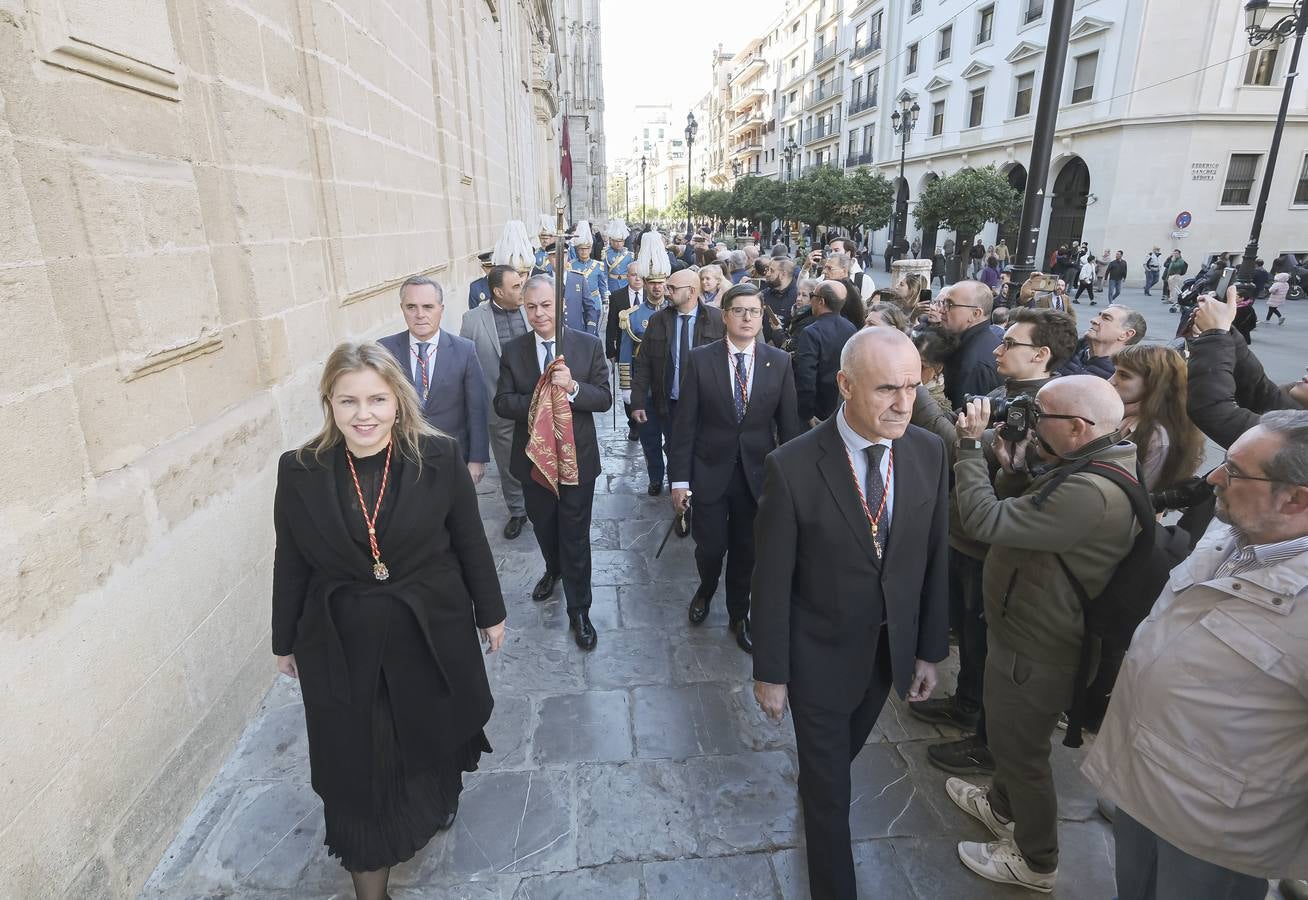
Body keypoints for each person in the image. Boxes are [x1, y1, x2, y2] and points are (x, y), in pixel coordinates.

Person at [272, 342, 505, 900]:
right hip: (340, 638)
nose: (364, 414)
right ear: (329, 402)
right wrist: (283, 641)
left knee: (427, 732)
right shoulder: (300, 469)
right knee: (357, 766)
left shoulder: (438, 457)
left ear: (398, 401)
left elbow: (470, 542)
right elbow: (292, 560)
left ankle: (429, 805)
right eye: (348, 400)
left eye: (377, 398)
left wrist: (491, 613)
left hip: (427, 628)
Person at [752, 327, 950, 900]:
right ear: (844, 385)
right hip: (816, 654)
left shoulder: (928, 451)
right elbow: (770, 582)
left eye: (913, 387)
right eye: (887, 388)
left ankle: (817, 781)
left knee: (837, 760)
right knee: (830, 791)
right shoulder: (791, 467)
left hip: (889, 653)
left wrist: (929, 650)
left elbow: (934, 557)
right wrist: (771, 671)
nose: (904, 403)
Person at [1083, 410, 1308, 900]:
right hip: (1141, 782)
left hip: (1214, 831)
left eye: (1236, 471)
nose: (1214, 478)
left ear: (1297, 498)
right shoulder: (1234, 532)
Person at [947, 376, 1139, 892]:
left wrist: (968, 449)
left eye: (1040, 416)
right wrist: (1012, 469)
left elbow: (985, 520)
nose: (1029, 423)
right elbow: (1022, 513)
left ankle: (1035, 860)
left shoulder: (1091, 490)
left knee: (1022, 754)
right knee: (1012, 740)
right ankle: (1002, 808)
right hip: (1025, 630)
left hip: (1040, 647)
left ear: (1077, 427)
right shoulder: (1084, 464)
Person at [911, 309, 1078, 775]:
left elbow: (958, 445)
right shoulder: (1008, 393)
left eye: (1010, 345)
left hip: (991, 542)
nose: (998, 351)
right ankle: (966, 704)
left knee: (986, 643)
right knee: (968, 633)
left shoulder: (1040, 407)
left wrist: (918, 390)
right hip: (965, 532)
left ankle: (985, 739)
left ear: (1041, 355)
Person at [669, 282, 800, 653]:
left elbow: (789, 428)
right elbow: (685, 426)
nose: (746, 318)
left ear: (762, 317)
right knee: (710, 548)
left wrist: (792, 485)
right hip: (708, 473)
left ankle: (738, 613)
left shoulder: (779, 363)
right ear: (724, 315)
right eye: (739, 310)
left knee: (747, 551)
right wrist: (679, 481)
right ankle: (706, 587)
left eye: (754, 311)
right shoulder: (700, 359)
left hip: (757, 479)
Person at [493, 275, 612, 650]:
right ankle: (553, 569)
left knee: (575, 534)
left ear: (559, 304)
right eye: (531, 307)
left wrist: (573, 388)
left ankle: (579, 609)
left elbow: (604, 398)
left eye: (545, 305)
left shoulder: (589, 346)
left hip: (577, 460)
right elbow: (502, 402)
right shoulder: (514, 351)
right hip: (533, 461)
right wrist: (542, 398)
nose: (539, 313)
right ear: (524, 309)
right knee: (545, 526)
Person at [631, 245, 724, 496]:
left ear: (691, 292)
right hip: (669, 404)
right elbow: (643, 363)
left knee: (702, 452)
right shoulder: (658, 321)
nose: (667, 292)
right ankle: (679, 500)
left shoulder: (717, 320)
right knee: (675, 452)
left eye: (673, 288)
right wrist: (638, 401)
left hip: (706, 406)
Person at [378, 275, 490, 486]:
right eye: (411, 307)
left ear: (441, 308)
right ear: (402, 308)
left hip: (451, 455)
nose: (420, 315)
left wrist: (477, 459)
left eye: (428, 307)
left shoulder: (464, 350)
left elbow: (477, 408)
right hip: (401, 457)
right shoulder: (385, 350)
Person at [1185, 286, 1308, 450]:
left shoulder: (1299, 439)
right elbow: (1257, 389)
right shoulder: (1297, 410)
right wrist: (1224, 329)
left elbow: (1215, 411)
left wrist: (1215, 336)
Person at [460, 266, 532, 539]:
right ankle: (517, 511)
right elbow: (467, 367)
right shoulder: (472, 320)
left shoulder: (532, 311)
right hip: (497, 406)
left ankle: (545, 504)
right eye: (515, 287)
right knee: (508, 463)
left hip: (536, 404)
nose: (522, 290)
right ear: (498, 292)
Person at [1109, 344, 1205, 493]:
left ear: (1154, 385)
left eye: (1124, 375)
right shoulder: (1120, 412)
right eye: (1115, 372)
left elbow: (1138, 495)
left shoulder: (1157, 436)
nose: (1111, 381)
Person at [794, 281, 858, 427]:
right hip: (841, 406)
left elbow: (806, 375)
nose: (811, 300)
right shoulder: (850, 328)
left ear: (821, 301)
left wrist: (806, 413)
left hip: (816, 410)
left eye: (812, 296)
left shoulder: (811, 332)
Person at [937, 280, 1003, 410]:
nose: (942, 310)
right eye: (943, 303)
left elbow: (961, 418)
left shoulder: (973, 363)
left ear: (975, 314)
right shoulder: (975, 342)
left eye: (950, 304)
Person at [605, 268, 649, 441]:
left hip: (647, 351)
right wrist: (611, 351)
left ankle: (647, 421)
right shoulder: (617, 296)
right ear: (626, 276)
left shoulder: (651, 295)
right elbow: (611, 326)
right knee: (627, 388)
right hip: (626, 351)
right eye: (633, 274)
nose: (637, 278)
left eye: (640, 275)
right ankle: (633, 425)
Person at [1060, 304, 1145, 378]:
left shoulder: (1120, 378)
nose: (1094, 320)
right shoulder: (1062, 349)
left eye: (1106, 318)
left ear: (1126, 334)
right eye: (1099, 316)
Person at [567, 221, 606, 322]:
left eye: (586, 249)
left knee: (593, 333)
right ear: (577, 250)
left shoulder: (598, 265)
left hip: (594, 303)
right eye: (581, 249)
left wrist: (605, 302)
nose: (584, 252)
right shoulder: (570, 265)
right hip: (577, 304)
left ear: (590, 249)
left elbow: (602, 286)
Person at [821, 252, 868, 330]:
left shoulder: (842, 289)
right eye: (825, 268)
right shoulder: (848, 285)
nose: (824, 271)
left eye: (829, 268)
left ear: (844, 270)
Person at [762, 255, 799, 329]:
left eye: (771, 270)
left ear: (783, 274)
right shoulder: (763, 295)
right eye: (767, 269)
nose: (767, 274)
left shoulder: (798, 298)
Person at [603, 218, 634, 299]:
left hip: (625, 284)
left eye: (620, 241)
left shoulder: (629, 255)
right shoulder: (606, 253)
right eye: (616, 241)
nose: (618, 243)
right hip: (612, 285)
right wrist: (605, 289)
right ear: (611, 241)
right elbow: (604, 274)